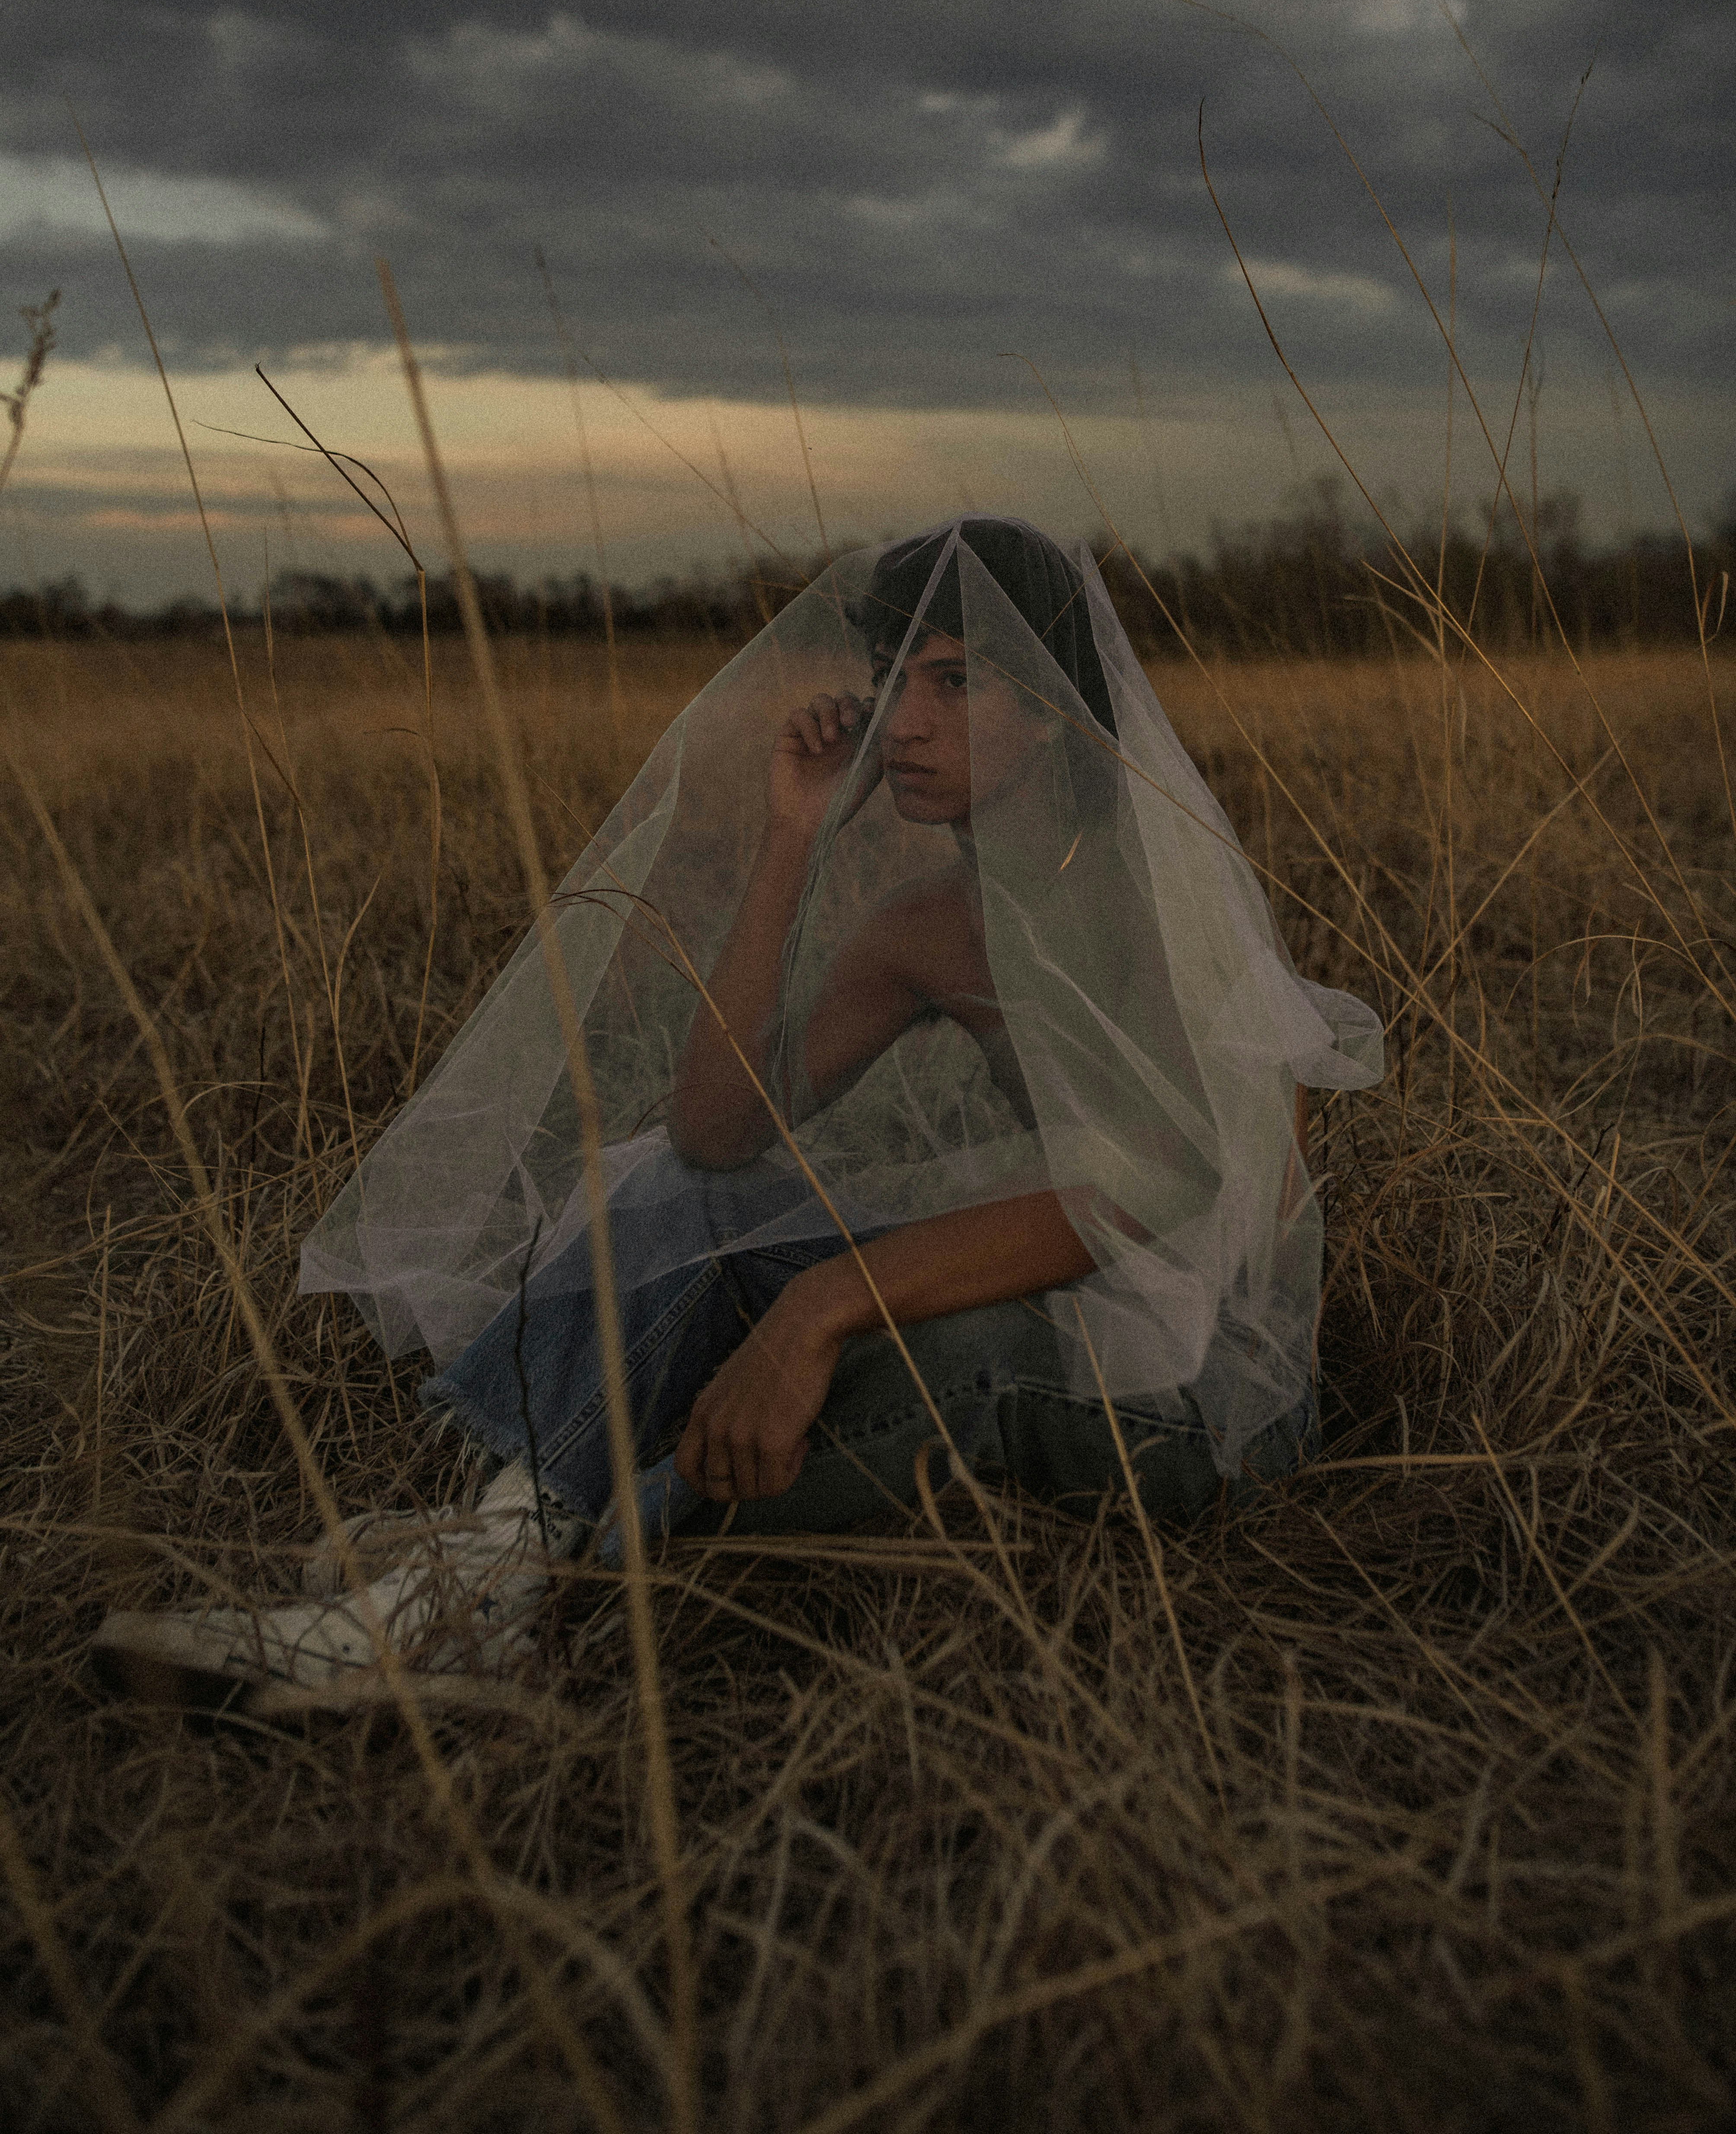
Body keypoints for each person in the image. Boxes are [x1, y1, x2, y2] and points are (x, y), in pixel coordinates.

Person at [94, 518, 1382, 1703]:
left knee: (938, 1362)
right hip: (1049, 1285)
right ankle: (495, 1568)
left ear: (1051, 713)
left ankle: (507, 1575)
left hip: (1196, 1384)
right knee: (682, 1197)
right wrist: (793, 839)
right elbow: (716, 1134)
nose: (906, 723)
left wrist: (821, 1309)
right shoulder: (931, 925)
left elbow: (1168, 1188)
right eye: (896, 682)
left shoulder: (1154, 891)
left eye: (955, 682)